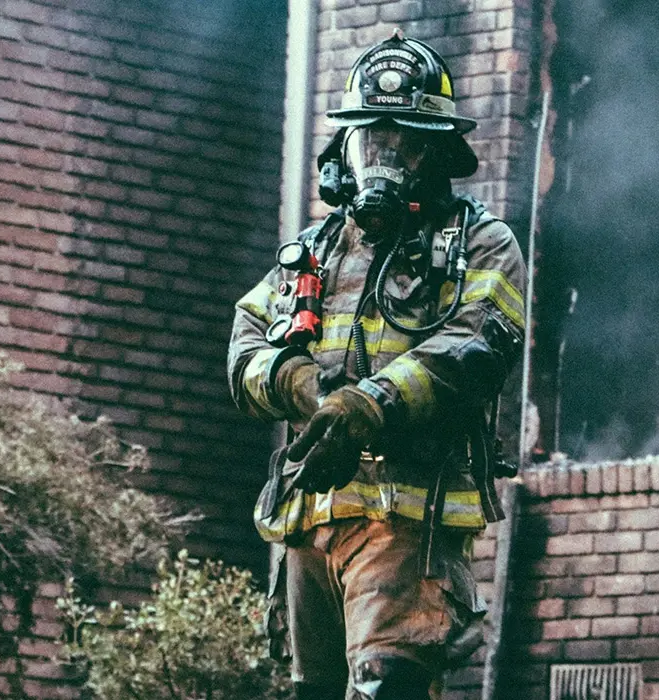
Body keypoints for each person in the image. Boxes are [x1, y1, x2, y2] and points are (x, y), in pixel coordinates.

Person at [227, 31, 526, 700]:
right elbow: (245, 347)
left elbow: (475, 347)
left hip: (407, 528)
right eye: (371, 142)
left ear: (439, 153)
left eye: (406, 143)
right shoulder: (313, 251)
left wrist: (366, 406)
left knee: (384, 689)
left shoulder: (480, 244)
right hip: (312, 524)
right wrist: (301, 386)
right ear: (345, 153)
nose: (384, 159)